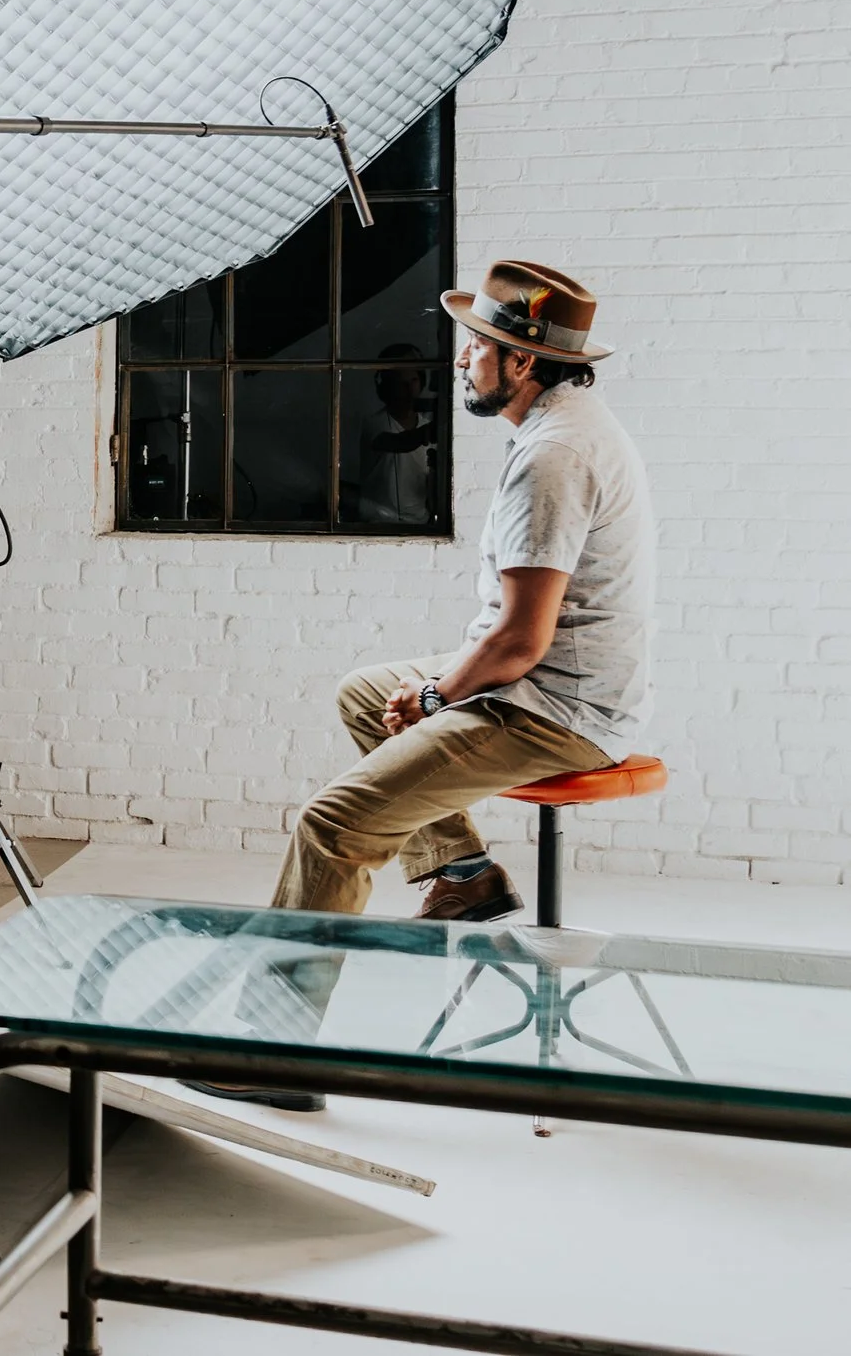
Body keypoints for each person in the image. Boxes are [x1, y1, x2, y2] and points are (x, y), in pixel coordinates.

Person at [190, 261, 653, 1111]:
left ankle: (275, 1052)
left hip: (555, 711)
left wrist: (441, 697)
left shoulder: (552, 456)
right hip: (547, 686)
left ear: (521, 362)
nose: (460, 360)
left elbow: (519, 640)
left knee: (332, 826)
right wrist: (428, 690)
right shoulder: (567, 424)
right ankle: (463, 871)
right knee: (369, 691)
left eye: (477, 345)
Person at [355, 346, 437, 525]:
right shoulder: (374, 423)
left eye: (414, 380)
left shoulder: (426, 426)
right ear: (386, 386)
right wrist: (433, 430)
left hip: (419, 523)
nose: (409, 389)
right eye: (401, 382)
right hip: (377, 523)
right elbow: (397, 442)